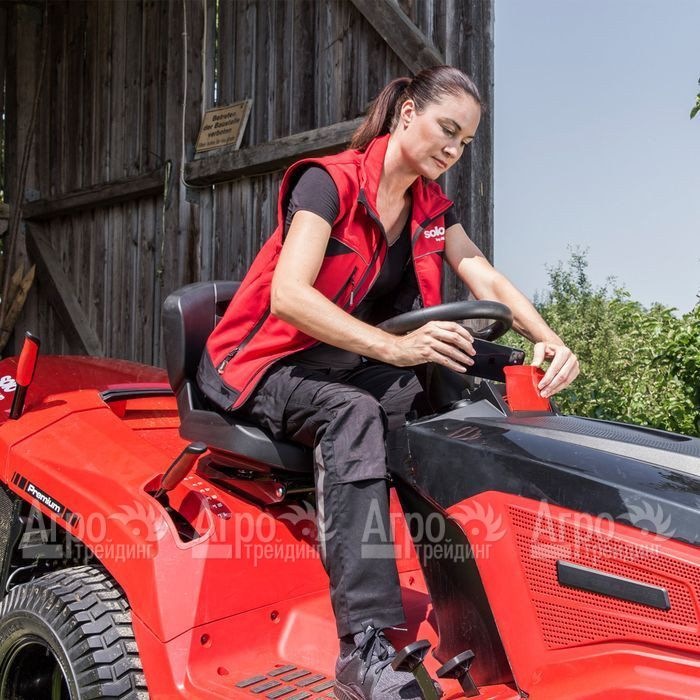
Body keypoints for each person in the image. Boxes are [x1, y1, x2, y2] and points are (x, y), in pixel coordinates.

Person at [198, 65, 579, 700]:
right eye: (446, 130)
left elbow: (483, 275)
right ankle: (363, 646)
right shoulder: (329, 184)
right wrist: (395, 348)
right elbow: (289, 296)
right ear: (407, 114)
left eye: (465, 142)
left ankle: (482, 611)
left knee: (452, 398)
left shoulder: (430, 207)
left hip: (341, 360)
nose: (453, 151)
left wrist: (550, 340)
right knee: (353, 413)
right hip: (261, 362)